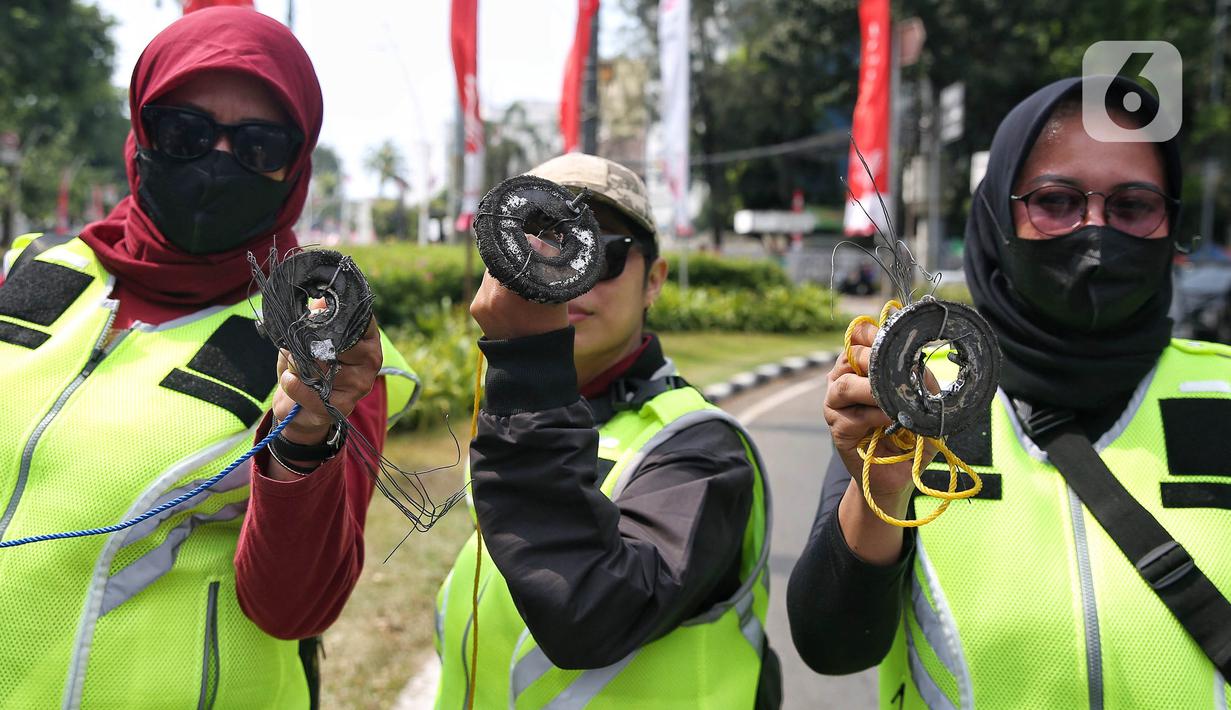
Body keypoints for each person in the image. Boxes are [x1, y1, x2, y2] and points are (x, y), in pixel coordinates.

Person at [0, 8, 417, 708]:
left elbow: (295, 607)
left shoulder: (329, 351)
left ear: (298, 164)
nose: (218, 163)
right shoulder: (28, 272)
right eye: (185, 133)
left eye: (258, 147)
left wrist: (305, 436)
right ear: (142, 133)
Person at [788, 76, 1231, 708]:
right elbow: (833, 647)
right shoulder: (917, 389)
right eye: (1057, 202)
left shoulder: (1222, 392)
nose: (1096, 231)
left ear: (1171, 224)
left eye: (1133, 206)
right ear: (998, 212)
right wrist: (877, 489)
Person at [432, 153, 781, 709]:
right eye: (541, 244)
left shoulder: (702, 450)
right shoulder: (514, 417)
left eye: (604, 253)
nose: (571, 274)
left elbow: (587, 609)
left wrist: (528, 370)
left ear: (654, 281)